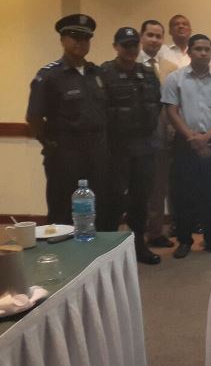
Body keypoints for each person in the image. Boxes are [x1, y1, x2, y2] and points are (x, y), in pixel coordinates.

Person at [26, 14, 108, 227]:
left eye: (86, 38)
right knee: (61, 211)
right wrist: (50, 144)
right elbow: (34, 117)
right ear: (62, 40)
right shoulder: (50, 75)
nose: (81, 42)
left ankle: (92, 248)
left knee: (97, 210)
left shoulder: (96, 73)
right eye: (74, 36)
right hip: (65, 155)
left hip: (97, 154)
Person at [161, 34, 211, 259]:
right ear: (190, 52)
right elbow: (171, 111)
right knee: (183, 194)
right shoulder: (175, 79)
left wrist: (206, 137)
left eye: (207, 49)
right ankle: (184, 240)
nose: (203, 53)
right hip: (185, 142)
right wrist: (192, 138)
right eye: (198, 49)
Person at [101, 27, 162, 264]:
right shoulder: (104, 73)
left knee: (140, 201)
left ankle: (139, 246)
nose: (130, 50)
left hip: (144, 147)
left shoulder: (147, 73)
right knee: (113, 201)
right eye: (125, 45)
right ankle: (106, 252)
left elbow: (156, 104)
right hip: (116, 149)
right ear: (115, 47)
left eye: (134, 45)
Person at [138, 20, 178, 248]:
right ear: (141, 37)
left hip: (161, 136)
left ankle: (154, 233)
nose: (154, 40)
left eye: (158, 36)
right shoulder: (129, 62)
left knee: (158, 188)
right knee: (135, 189)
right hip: (133, 139)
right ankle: (134, 235)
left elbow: (174, 104)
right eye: (150, 35)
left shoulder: (171, 68)